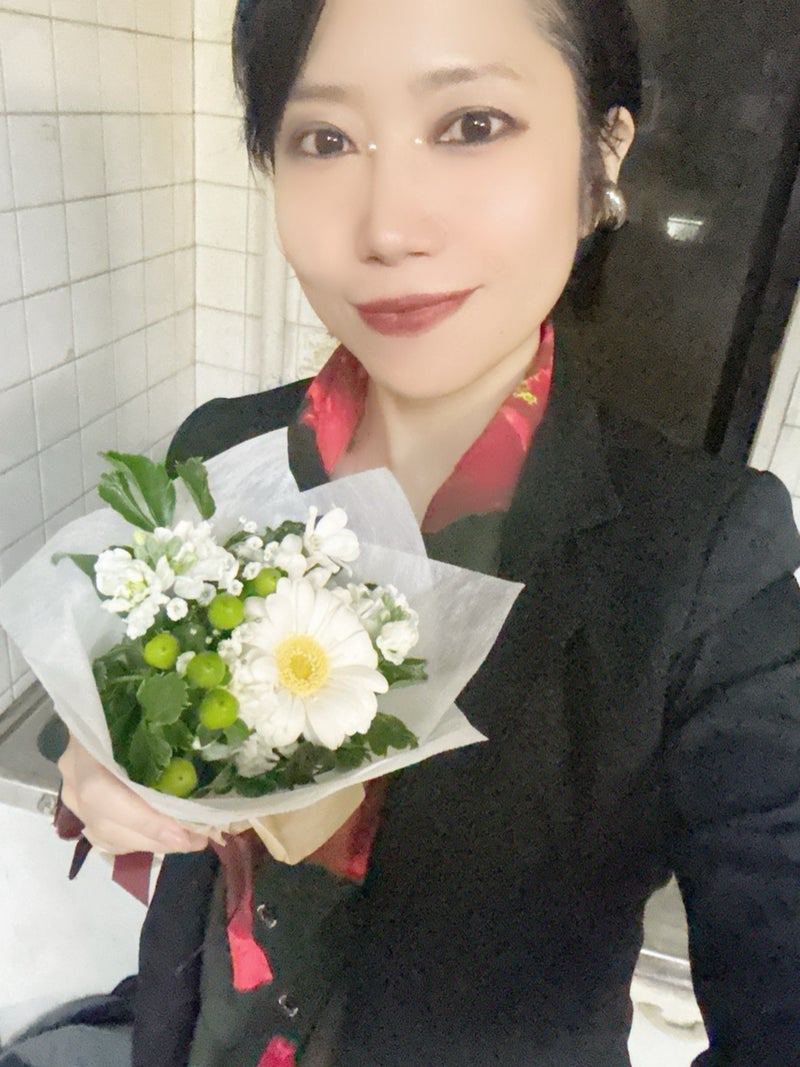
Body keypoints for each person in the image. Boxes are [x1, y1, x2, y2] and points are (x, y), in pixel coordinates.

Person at [10, 0, 800, 1064]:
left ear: (602, 155)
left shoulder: (707, 559)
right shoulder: (222, 451)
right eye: (324, 139)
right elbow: (116, 719)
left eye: (473, 124)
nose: (387, 227)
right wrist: (96, 766)